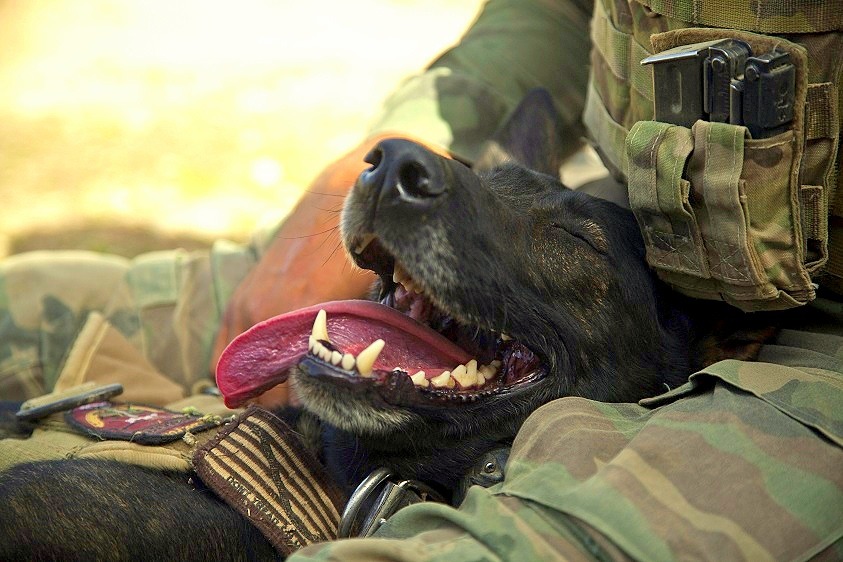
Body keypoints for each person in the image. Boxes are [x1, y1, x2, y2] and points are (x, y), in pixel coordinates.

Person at [1, 0, 841, 559]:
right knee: (22, 307)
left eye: (570, 247)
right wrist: (412, 143)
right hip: (634, 203)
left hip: (808, 347)